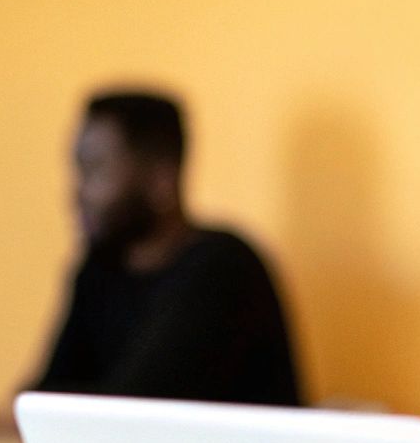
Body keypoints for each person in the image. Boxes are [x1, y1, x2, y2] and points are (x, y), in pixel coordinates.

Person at [33, 90, 300, 406]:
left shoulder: (223, 269)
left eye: (96, 169)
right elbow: (43, 400)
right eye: (78, 169)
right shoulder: (99, 270)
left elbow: (135, 406)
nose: (78, 193)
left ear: (161, 177)